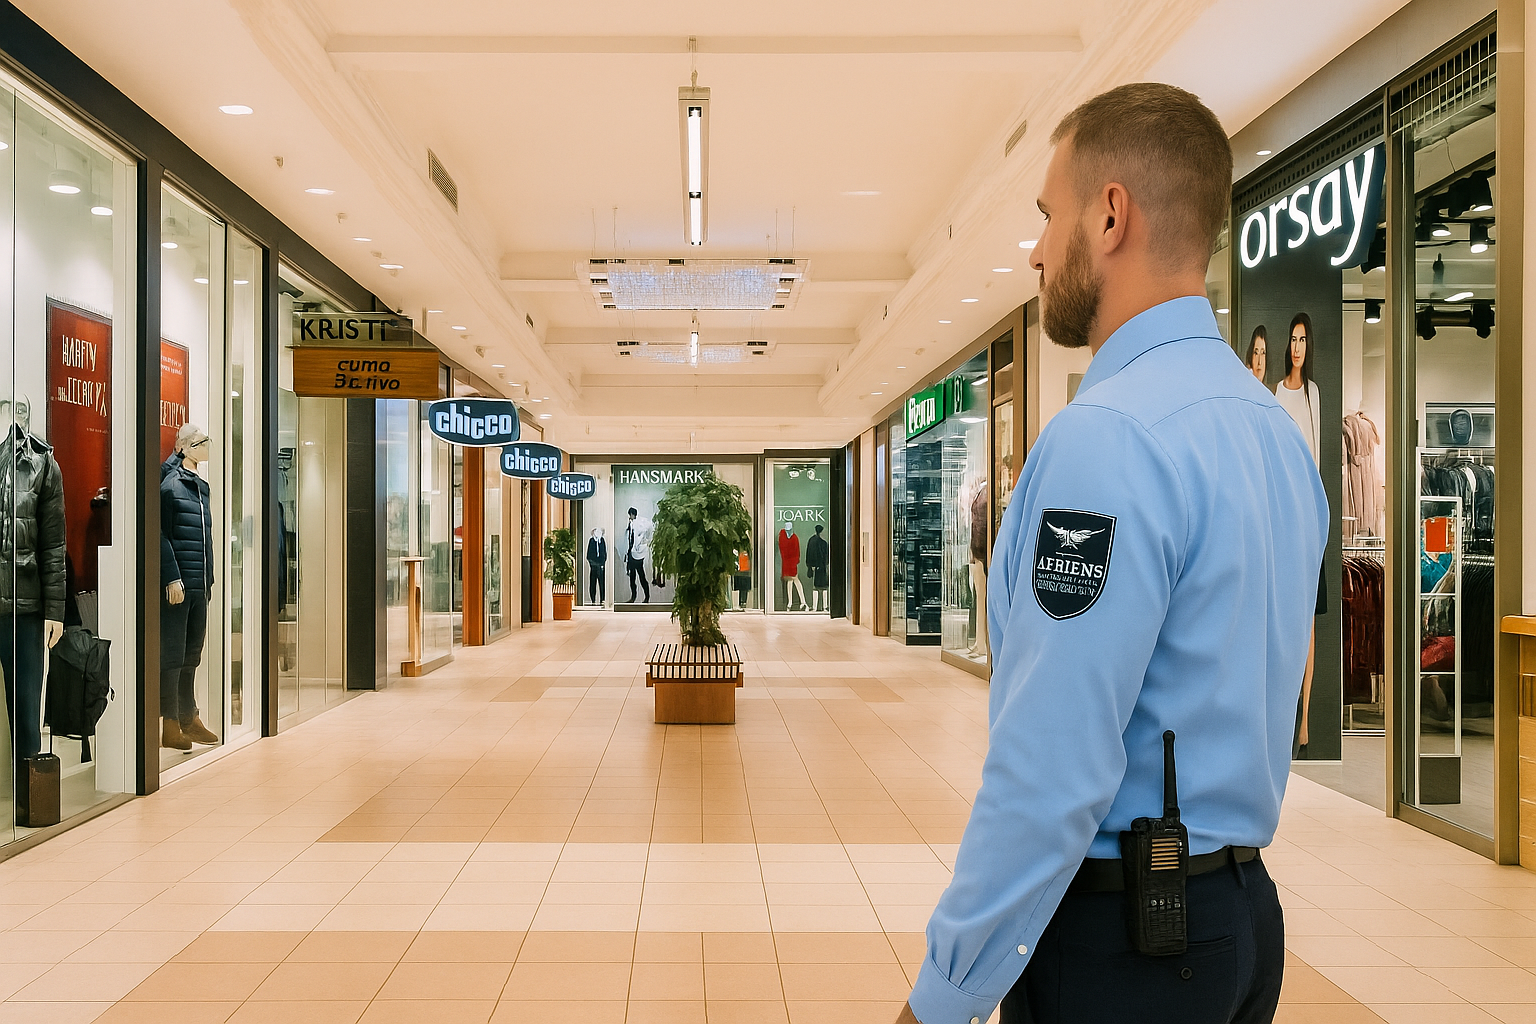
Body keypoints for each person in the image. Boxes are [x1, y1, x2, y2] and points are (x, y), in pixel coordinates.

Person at [897, 83, 1326, 1024]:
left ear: (1111, 213)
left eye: (1048, 217)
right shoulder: (1274, 436)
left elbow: (1052, 765)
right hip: (1241, 922)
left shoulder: (1109, 440)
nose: (1038, 250)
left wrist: (942, 997)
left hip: (1127, 949)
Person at [1272, 312, 1325, 751]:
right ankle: (1283, 712)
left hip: (1308, 519)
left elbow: (1318, 460)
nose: (1296, 347)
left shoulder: (1313, 395)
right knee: (1287, 623)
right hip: (1285, 518)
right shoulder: (1277, 394)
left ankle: (1304, 718)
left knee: (1308, 626)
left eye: (1302, 340)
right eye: (1292, 339)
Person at [624, 507, 650, 603]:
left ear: (632, 514)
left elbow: (641, 537)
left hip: (637, 554)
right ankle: (633, 597)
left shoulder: (639, 525)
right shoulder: (631, 525)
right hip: (631, 553)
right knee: (632, 577)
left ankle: (646, 597)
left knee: (641, 575)